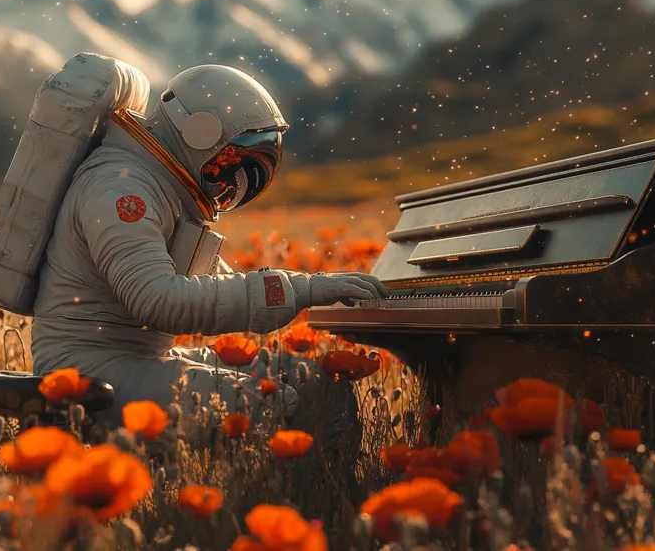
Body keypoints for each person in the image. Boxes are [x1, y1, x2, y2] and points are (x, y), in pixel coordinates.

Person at [28, 63, 387, 456]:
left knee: (314, 385)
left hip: (139, 357)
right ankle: (277, 512)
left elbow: (210, 284)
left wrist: (306, 288)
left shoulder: (160, 185)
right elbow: (158, 301)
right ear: (199, 134)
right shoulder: (120, 191)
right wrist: (300, 290)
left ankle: (334, 504)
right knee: (272, 404)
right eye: (232, 163)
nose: (233, 181)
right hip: (88, 368)